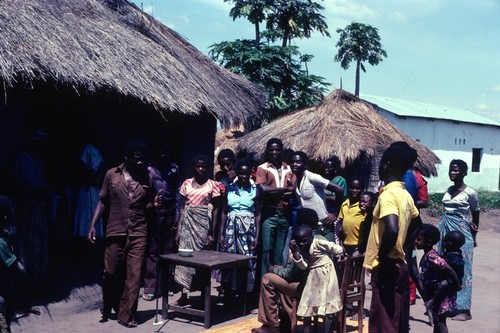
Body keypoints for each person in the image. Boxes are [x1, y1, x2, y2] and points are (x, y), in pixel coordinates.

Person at [87, 139, 156, 328]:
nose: (139, 163)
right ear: (126, 158)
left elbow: (147, 204)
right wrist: (92, 225)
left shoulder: (147, 178)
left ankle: (126, 315)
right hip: (115, 230)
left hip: (139, 232)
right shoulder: (111, 175)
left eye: (142, 160)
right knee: (111, 272)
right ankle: (109, 303)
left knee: (134, 275)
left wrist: (153, 205)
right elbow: (102, 201)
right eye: (135, 160)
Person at [363, 145, 422, 333]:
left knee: (383, 321)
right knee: (397, 319)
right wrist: (402, 246)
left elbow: (391, 228)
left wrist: (383, 256)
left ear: (386, 165)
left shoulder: (387, 195)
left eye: (381, 164)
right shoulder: (405, 195)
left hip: (388, 265)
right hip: (400, 263)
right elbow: (418, 225)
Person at [174, 154, 221, 304]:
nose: (200, 169)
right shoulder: (186, 183)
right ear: (194, 167)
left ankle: (202, 294)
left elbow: (215, 210)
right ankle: (184, 293)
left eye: (203, 166)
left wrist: (211, 232)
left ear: (207, 168)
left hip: (203, 226)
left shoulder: (212, 185)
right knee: (184, 259)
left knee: (201, 260)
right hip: (187, 226)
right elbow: (182, 208)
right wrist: (178, 230)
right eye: (198, 166)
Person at [436, 159, 479, 321]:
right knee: (443, 266)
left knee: (464, 269)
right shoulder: (448, 189)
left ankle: (464, 309)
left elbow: (476, 214)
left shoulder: (470, 193)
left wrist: (474, 237)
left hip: (461, 231)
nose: (452, 173)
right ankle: (447, 304)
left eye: (455, 170)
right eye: (450, 170)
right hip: (444, 229)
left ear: (463, 172)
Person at [251, 220, 311, 333]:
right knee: (282, 282)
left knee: (268, 278)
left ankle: (271, 324)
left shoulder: (302, 247)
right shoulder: (324, 241)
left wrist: (275, 269)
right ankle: (287, 319)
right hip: (317, 285)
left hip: (306, 288)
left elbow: (290, 274)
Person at [218, 159, 261, 297]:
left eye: (246, 174)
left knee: (247, 260)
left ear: (250, 174)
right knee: (230, 260)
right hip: (230, 228)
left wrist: (257, 236)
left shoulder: (256, 190)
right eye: (241, 173)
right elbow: (224, 213)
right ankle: (228, 292)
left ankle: (244, 294)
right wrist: (221, 234)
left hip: (248, 230)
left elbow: (258, 214)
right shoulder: (229, 189)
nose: (244, 176)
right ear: (237, 173)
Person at [142, 145, 180, 301]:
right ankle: (151, 287)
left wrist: (178, 216)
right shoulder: (149, 169)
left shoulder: (174, 168)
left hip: (170, 213)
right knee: (153, 251)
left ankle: (165, 285)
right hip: (154, 213)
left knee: (168, 251)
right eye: (160, 150)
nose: (163, 153)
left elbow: (177, 191)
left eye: (165, 150)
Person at [255, 138, 295, 280]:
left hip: (284, 213)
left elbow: (294, 190)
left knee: (280, 252)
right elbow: (262, 189)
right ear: (267, 151)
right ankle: (264, 285)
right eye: (271, 149)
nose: (274, 152)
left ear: (281, 150)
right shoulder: (263, 168)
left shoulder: (289, 169)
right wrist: (284, 189)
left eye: (277, 149)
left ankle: (276, 286)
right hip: (269, 212)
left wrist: (273, 190)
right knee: (266, 251)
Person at [292, 224, 344, 333]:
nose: (301, 244)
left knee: (328, 306)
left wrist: (333, 259)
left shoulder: (319, 243)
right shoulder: (299, 248)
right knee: (306, 305)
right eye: (299, 241)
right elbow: (304, 266)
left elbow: (338, 249)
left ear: (312, 237)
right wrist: (294, 252)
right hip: (313, 277)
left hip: (327, 275)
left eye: (304, 241)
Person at [415, 224, 462, 333]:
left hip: (441, 296)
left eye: (419, 239)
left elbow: (449, 270)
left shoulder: (432, 256)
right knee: (437, 320)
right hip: (436, 294)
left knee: (440, 321)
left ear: (429, 242)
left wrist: (457, 285)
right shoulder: (429, 254)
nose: (416, 241)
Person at [289, 151, 344, 242]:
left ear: (304, 164)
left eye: (298, 162)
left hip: (323, 225)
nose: (294, 164)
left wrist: (335, 213)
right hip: (309, 228)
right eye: (292, 162)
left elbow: (339, 190)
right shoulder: (295, 183)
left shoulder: (312, 177)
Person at [72, 124, 104, 265]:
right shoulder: (88, 149)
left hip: (95, 189)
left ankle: (91, 256)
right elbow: (82, 167)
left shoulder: (97, 150)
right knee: (85, 219)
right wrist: (92, 178)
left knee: (95, 218)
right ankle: (82, 256)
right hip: (88, 189)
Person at [337, 177, 365, 256]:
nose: (354, 191)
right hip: (345, 244)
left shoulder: (363, 206)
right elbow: (340, 225)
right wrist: (340, 243)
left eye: (357, 188)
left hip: (358, 245)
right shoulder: (345, 204)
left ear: (362, 189)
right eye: (352, 188)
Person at [356, 191, 377, 255]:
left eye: (365, 202)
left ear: (373, 204)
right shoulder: (368, 216)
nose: (361, 204)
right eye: (360, 201)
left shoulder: (375, 218)